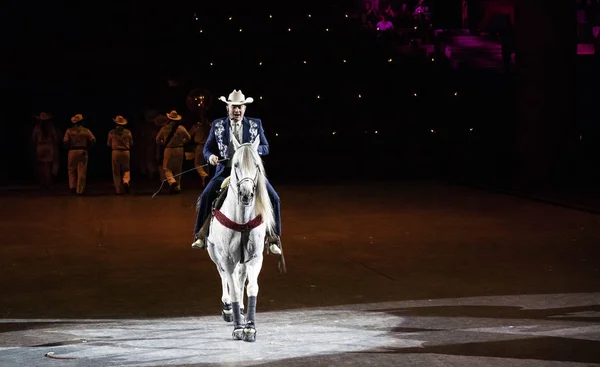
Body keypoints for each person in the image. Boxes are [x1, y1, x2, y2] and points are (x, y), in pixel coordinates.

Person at [192, 89, 282, 255]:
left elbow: (266, 147)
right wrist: (210, 156)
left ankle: (273, 238)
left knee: (274, 198)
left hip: (248, 171)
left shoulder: (256, 124)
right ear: (228, 108)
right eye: (234, 107)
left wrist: (251, 151)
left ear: (245, 108)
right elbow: (207, 148)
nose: (237, 110)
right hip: (226, 170)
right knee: (206, 195)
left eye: (240, 107)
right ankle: (200, 235)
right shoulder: (217, 125)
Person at [155, 110, 191, 194]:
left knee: (166, 168)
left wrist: (163, 142)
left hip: (169, 149)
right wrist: (182, 142)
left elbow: (157, 139)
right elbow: (188, 138)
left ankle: (172, 182)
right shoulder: (181, 128)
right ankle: (177, 187)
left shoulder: (164, 128)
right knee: (178, 169)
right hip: (180, 149)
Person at [63, 113, 96, 195]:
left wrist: (67, 147)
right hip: (83, 150)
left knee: (71, 169)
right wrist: (89, 147)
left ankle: (72, 187)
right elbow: (93, 140)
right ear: (82, 122)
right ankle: (80, 190)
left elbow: (65, 141)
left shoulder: (69, 130)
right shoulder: (86, 130)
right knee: (82, 171)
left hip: (72, 150)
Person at [32, 112, 59, 189]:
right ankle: (48, 182)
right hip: (49, 146)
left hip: (40, 146)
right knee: (48, 165)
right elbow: (54, 138)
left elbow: (34, 139)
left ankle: (42, 181)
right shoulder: (51, 127)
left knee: (41, 165)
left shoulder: (37, 128)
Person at [107, 115, 133, 194]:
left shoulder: (111, 132)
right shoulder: (128, 132)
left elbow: (108, 144)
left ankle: (118, 189)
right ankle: (126, 181)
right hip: (126, 151)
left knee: (116, 171)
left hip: (115, 151)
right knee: (126, 168)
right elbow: (131, 143)